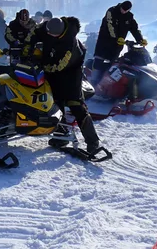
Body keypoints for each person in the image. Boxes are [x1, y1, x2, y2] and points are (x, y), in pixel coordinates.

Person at [23, 16, 102, 155]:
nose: (49, 36)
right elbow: (34, 33)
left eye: (52, 35)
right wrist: (27, 48)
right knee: (55, 105)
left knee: (76, 106)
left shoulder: (69, 44)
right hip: (52, 73)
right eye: (48, 33)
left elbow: (57, 66)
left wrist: (41, 64)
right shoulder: (48, 28)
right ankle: (61, 136)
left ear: (60, 33)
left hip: (70, 75)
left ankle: (93, 142)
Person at [90, 0, 147, 86]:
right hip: (105, 42)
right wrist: (116, 37)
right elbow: (110, 26)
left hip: (118, 44)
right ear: (120, 7)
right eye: (122, 9)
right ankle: (93, 83)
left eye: (126, 10)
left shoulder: (129, 16)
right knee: (99, 60)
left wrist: (140, 40)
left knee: (113, 63)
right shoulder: (111, 11)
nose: (123, 11)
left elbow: (134, 29)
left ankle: (107, 84)